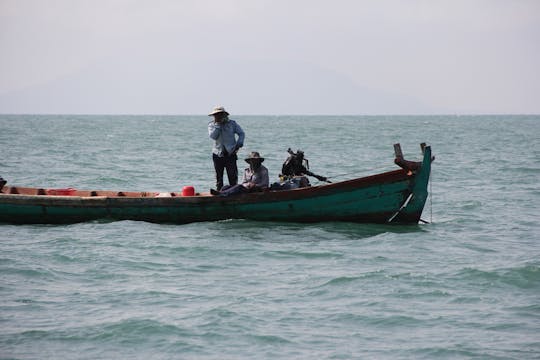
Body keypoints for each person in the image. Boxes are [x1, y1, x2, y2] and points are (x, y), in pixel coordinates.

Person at [208, 106, 245, 190]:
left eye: (220, 114)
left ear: (224, 114)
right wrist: (218, 125)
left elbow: (241, 133)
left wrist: (239, 144)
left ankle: (233, 194)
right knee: (218, 177)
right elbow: (213, 136)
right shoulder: (211, 125)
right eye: (216, 115)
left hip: (231, 153)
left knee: (233, 177)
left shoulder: (232, 124)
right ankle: (219, 194)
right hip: (217, 154)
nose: (218, 116)